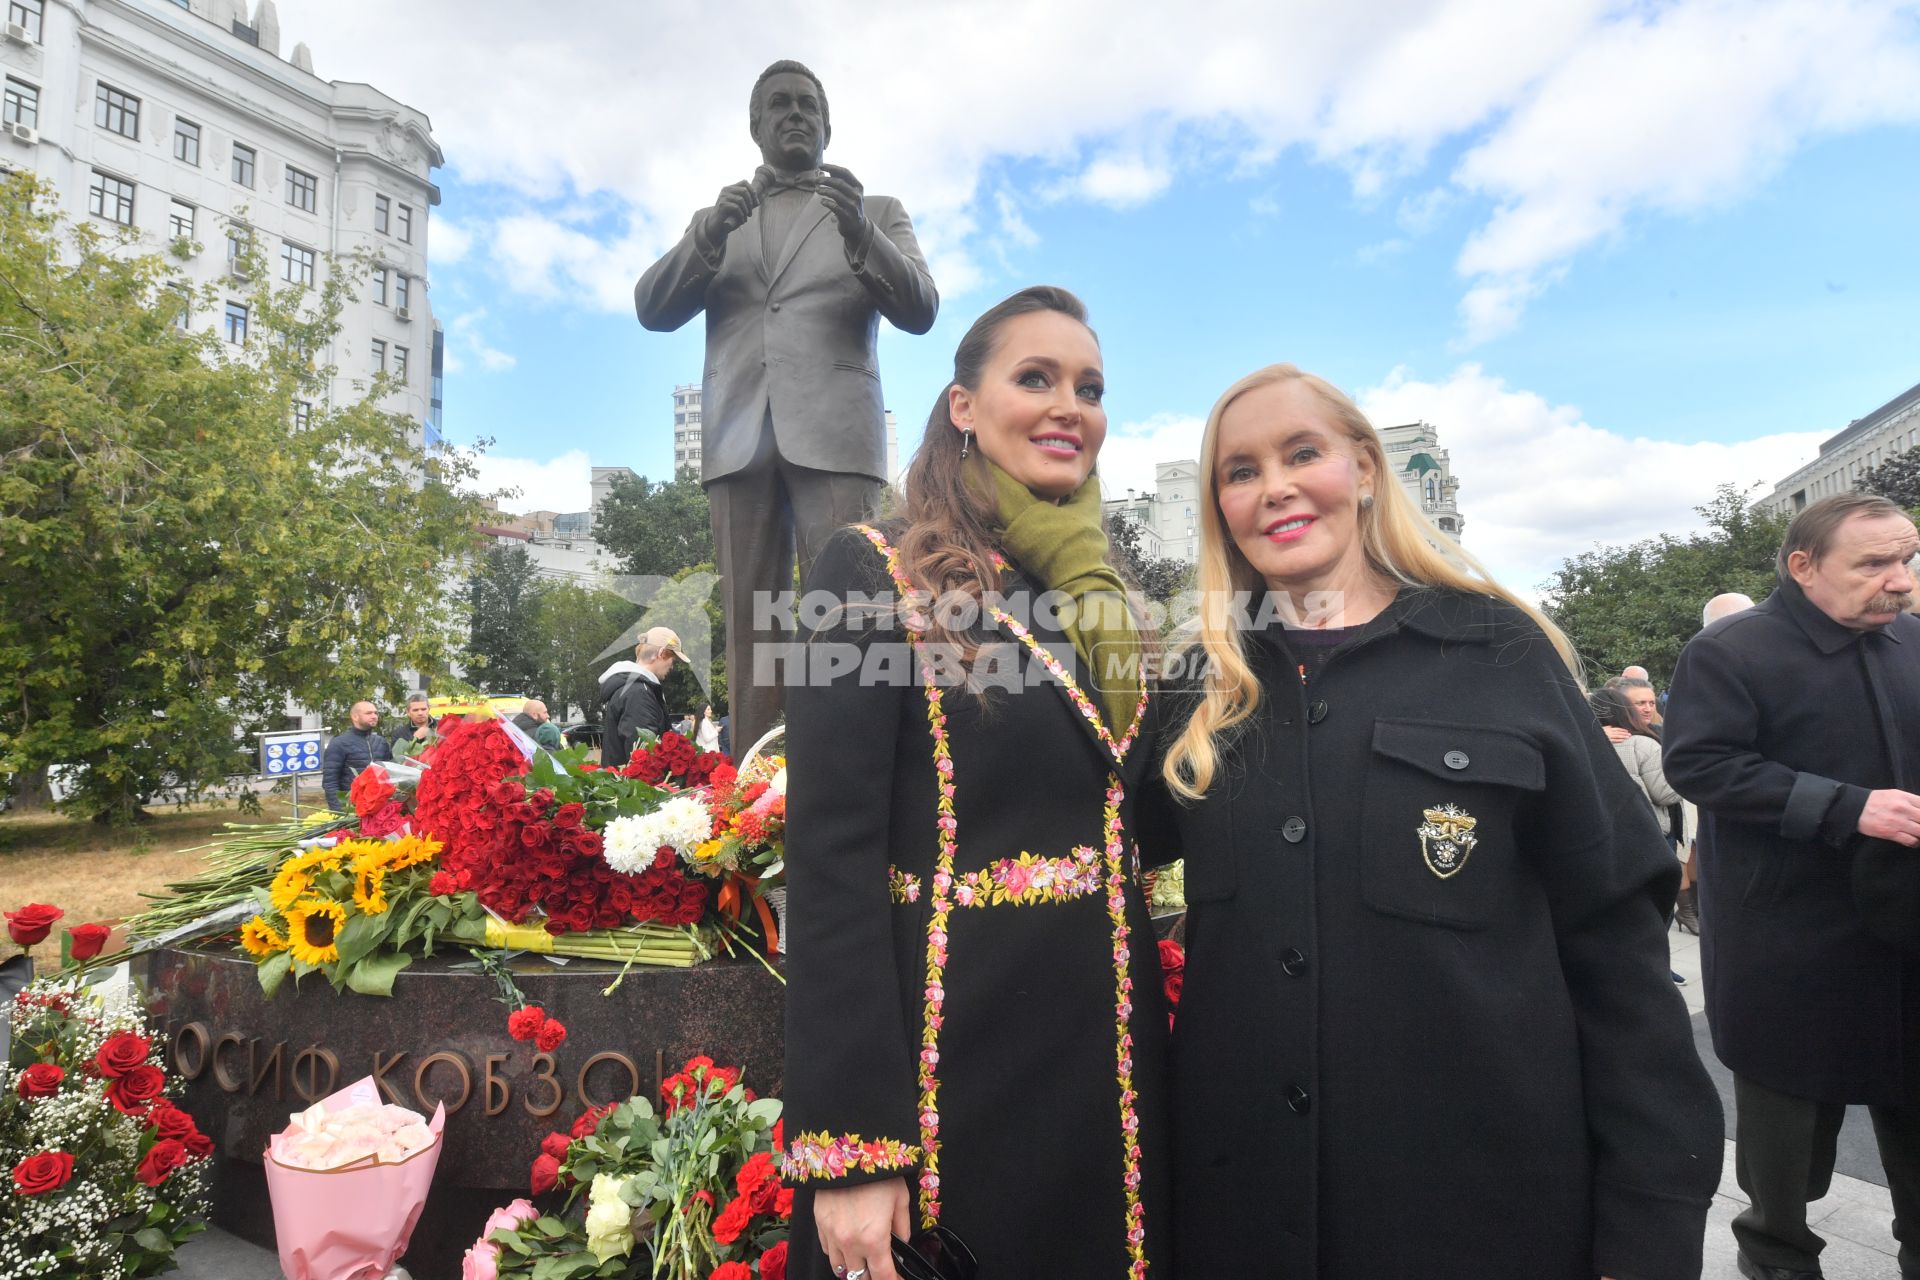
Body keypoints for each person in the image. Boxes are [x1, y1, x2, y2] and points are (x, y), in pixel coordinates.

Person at [1141, 363, 1720, 1278]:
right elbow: (1076, 855)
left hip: (1479, 1215)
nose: (1275, 487)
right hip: (1238, 1215)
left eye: (1303, 453)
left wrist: (1648, 1226)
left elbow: (1616, 945)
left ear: (1366, 470)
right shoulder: (1197, 690)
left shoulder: (1499, 652)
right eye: (1239, 470)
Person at [781, 286, 1170, 1280]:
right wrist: (855, 1149)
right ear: (963, 405)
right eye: (1034, 377)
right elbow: (829, 865)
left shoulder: (1100, 599)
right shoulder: (868, 567)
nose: (1067, 406)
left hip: (1109, 1086)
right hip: (959, 1085)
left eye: (1088, 386)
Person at [636, 59, 939, 762]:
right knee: (750, 623)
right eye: (779, 105)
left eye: (808, 104)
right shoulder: (719, 220)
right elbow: (653, 307)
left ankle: (860, 771)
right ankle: (757, 785)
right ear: (757, 127)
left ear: (827, 125)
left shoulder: (876, 211)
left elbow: (921, 308)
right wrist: (707, 236)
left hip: (838, 437)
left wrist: (862, 234)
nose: (795, 114)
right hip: (739, 440)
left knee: (854, 614)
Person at [1663, 493, 1920, 1280]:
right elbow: (1700, 766)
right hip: (1790, 949)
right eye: (1874, 563)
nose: (1901, 581)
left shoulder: (1913, 640)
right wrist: (1848, 807)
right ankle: (1776, 1262)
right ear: (1803, 567)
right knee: (1784, 1154)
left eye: (1907, 558)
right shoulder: (1732, 651)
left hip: (1907, 941)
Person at [1593, 685, 1698, 952]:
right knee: (1654, 908)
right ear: (1626, 710)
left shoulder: (1587, 744)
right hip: (1651, 833)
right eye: (1640, 703)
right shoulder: (1642, 743)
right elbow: (1665, 794)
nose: (1648, 708)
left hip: (1605, 833)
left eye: (1652, 702)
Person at [605, 627, 682, 767]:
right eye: (673, 659)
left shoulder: (633, 687)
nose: (672, 666)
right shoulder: (639, 692)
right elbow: (643, 760)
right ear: (661, 653)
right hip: (634, 787)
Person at [321, 700, 393, 812]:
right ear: (355, 717)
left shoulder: (381, 742)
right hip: (352, 807)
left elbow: (389, 776)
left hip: (380, 807)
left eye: (375, 713)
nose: (374, 716)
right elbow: (330, 782)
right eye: (368, 713)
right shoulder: (339, 743)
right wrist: (340, 811)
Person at [389, 693, 437, 761]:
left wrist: (432, 734)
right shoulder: (399, 733)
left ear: (429, 709)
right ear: (408, 712)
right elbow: (397, 759)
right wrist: (414, 739)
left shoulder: (442, 725)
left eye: (423, 709)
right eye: (415, 710)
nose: (420, 713)